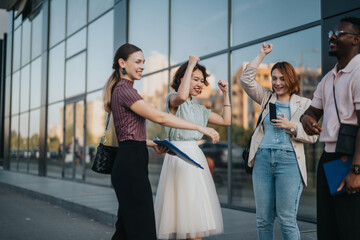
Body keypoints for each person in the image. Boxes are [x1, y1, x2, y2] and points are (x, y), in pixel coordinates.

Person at [103, 44, 220, 240]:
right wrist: (200, 127)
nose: (142, 66)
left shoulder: (123, 90)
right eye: (138, 62)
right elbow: (160, 117)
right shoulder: (125, 90)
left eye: (144, 62)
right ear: (122, 63)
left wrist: (149, 143)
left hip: (131, 160)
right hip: (130, 164)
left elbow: (126, 134)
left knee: (127, 229)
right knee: (143, 230)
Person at [240, 43, 318, 240]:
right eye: (274, 78)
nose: (277, 82)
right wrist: (262, 54)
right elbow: (246, 79)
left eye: (282, 78)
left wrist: (291, 126)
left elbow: (314, 136)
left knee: (286, 219)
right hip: (263, 160)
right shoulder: (266, 98)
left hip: (289, 162)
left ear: (290, 79)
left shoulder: (304, 104)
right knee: (263, 219)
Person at [154, 56, 230, 240]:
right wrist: (190, 64)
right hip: (177, 157)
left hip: (194, 157)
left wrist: (226, 93)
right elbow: (181, 96)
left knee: (193, 219)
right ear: (183, 78)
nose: (200, 84)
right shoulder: (172, 99)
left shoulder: (200, 110)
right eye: (195, 79)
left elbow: (225, 120)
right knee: (182, 220)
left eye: (202, 81)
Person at [300, 17, 360, 240]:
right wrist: (307, 120)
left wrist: (356, 170)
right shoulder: (328, 78)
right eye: (331, 33)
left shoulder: (358, 73)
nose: (332, 36)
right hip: (329, 158)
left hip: (350, 158)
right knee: (328, 227)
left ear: (356, 39)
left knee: (350, 227)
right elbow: (312, 112)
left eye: (340, 33)